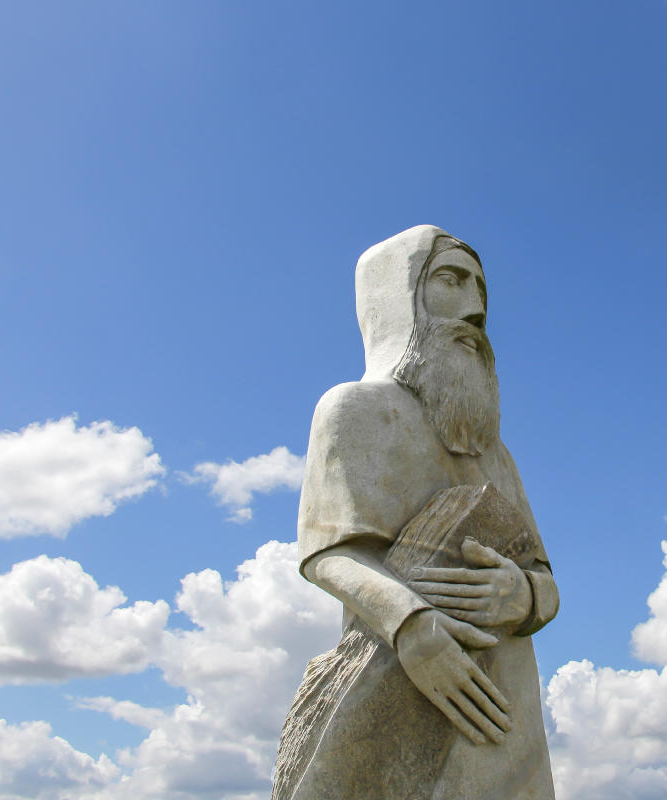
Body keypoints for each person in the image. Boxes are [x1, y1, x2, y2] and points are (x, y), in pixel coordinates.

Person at [272, 225, 559, 800]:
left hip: (508, 706)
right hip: (404, 683)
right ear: (396, 296)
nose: (475, 308)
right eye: (449, 281)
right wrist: (412, 626)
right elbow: (327, 552)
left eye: (480, 288)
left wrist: (524, 596)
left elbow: (546, 580)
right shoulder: (354, 409)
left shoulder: (496, 455)